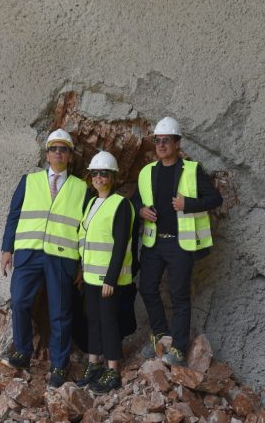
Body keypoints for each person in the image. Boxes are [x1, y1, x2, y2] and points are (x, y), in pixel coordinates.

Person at [0, 128, 87, 388]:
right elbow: (14, 216)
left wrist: (82, 263)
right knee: (19, 302)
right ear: (47, 154)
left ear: (70, 156)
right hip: (29, 253)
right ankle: (22, 352)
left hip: (62, 257)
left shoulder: (82, 188)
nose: (58, 153)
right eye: (53, 149)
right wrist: (7, 249)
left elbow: (86, 229)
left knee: (60, 312)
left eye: (63, 149)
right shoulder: (29, 181)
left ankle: (59, 366)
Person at [134, 117, 223, 366]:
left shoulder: (192, 170)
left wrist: (188, 204)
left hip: (180, 243)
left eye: (166, 140)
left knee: (179, 296)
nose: (161, 145)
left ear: (177, 143)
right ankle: (161, 337)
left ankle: (179, 348)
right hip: (153, 243)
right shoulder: (147, 172)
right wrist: (141, 210)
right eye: (157, 141)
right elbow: (134, 201)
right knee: (147, 288)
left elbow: (215, 199)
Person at [75, 151, 135, 394]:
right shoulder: (91, 203)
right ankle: (94, 364)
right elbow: (85, 237)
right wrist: (82, 269)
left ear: (113, 177)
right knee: (93, 320)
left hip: (109, 279)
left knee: (109, 322)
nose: (98, 177)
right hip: (90, 276)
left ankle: (113, 370)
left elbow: (120, 244)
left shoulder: (121, 204)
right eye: (95, 173)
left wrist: (111, 278)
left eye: (103, 173)